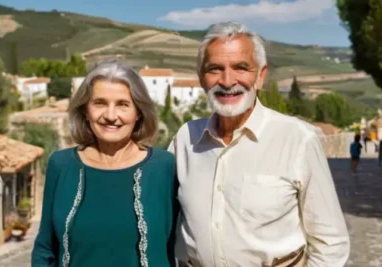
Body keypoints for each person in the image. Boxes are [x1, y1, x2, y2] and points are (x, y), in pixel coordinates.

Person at [169, 22, 350, 267]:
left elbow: (331, 242)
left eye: (241, 67)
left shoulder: (297, 139)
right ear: (202, 78)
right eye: (215, 69)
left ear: (260, 76)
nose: (228, 80)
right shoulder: (185, 138)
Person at [32, 61, 178, 267]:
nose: (110, 116)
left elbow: (182, 244)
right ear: (85, 111)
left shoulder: (165, 167)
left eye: (122, 104)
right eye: (99, 103)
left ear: (138, 113)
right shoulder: (61, 164)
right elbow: (45, 247)